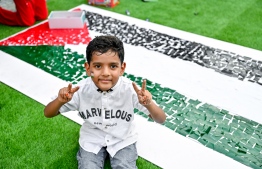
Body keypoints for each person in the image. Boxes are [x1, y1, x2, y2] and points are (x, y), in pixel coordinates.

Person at [44, 35, 166, 169]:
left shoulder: (131, 90)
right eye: (97, 66)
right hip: (91, 139)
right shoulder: (79, 90)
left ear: (122, 68)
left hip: (123, 140)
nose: (105, 73)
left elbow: (161, 119)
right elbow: (48, 113)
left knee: (124, 166)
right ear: (88, 68)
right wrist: (60, 101)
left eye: (113, 66)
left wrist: (148, 103)